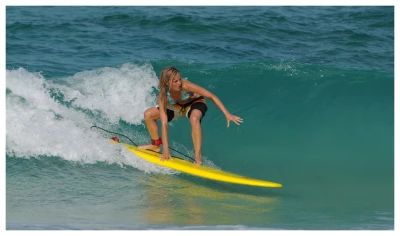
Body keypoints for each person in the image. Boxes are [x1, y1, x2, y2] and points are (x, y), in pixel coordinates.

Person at [139, 66, 243, 166]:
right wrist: (166, 149)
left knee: (194, 118)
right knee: (148, 114)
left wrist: (227, 114)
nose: (179, 83)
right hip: (177, 106)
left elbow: (211, 96)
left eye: (179, 79)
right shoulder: (163, 95)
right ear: (167, 83)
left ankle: (198, 157)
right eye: (175, 81)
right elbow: (164, 123)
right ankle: (155, 145)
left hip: (195, 103)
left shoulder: (186, 85)